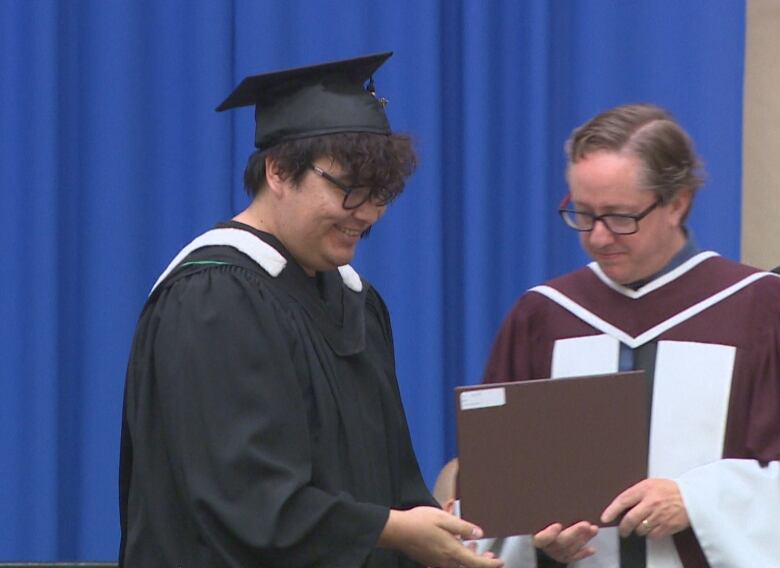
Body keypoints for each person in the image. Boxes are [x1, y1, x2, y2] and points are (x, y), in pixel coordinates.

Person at [118, 52, 503, 568]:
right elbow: (248, 505)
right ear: (278, 171)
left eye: (381, 194)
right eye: (350, 190)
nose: (367, 214)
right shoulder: (214, 297)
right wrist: (395, 530)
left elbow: (397, 490)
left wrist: (478, 537)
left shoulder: (354, 300)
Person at [480, 103, 780, 567]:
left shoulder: (759, 309)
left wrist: (698, 500)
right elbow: (497, 491)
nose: (598, 237)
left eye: (620, 216)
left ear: (677, 202)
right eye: (583, 212)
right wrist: (538, 538)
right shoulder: (544, 317)